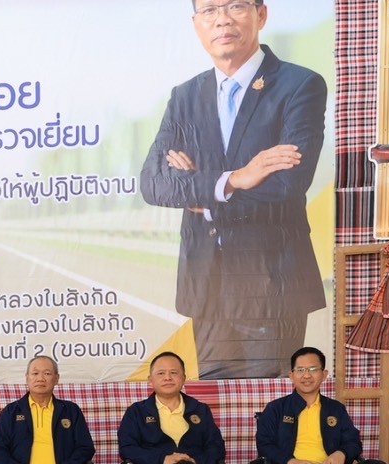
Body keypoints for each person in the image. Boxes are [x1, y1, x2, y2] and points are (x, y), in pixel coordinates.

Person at [138, 0, 328, 379]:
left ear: (261, 15)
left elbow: (288, 183)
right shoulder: (185, 97)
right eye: (210, 10)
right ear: (196, 24)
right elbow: (154, 183)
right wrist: (235, 180)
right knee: (216, 408)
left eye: (235, 6)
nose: (222, 19)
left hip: (272, 285)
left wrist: (203, 195)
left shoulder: (300, 85)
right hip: (206, 285)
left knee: (271, 407)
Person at [118, 350, 236, 464]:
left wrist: (195, 462)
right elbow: (128, 448)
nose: (168, 378)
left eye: (173, 373)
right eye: (161, 373)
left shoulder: (200, 409)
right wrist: (162, 460)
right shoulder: (137, 412)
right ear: (150, 380)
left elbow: (216, 446)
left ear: (183, 378)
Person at [255, 347, 362, 464]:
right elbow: (264, 444)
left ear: (324, 374)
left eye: (313, 369)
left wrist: (341, 454)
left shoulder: (335, 409)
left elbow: (353, 441)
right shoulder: (276, 408)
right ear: (291, 375)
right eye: (300, 370)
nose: (306, 375)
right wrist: (290, 461)